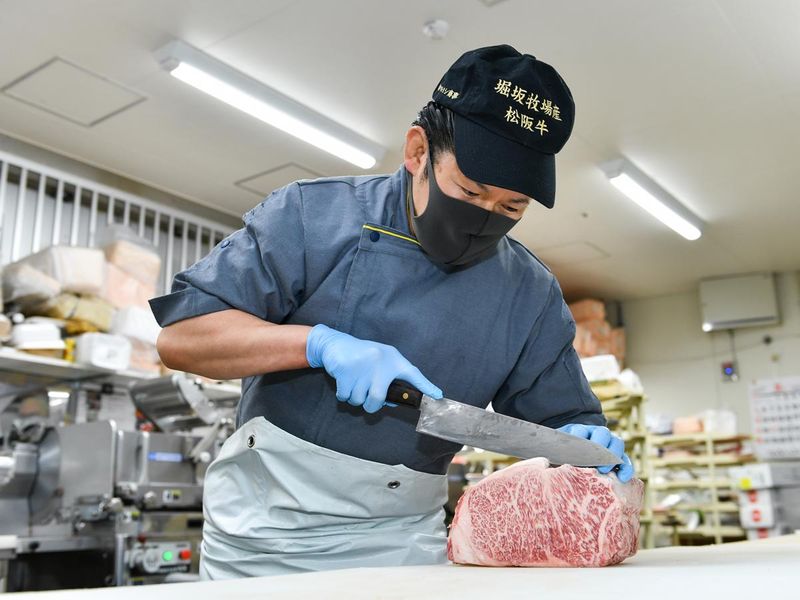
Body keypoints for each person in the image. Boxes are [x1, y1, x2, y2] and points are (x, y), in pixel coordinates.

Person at [150, 44, 634, 580]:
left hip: (406, 542)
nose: (484, 218)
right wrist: (317, 344)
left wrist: (584, 441)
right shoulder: (313, 215)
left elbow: (563, 423)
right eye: (469, 191)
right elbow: (182, 338)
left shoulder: (529, 293)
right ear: (417, 150)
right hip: (263, 533)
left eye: (511, 207)